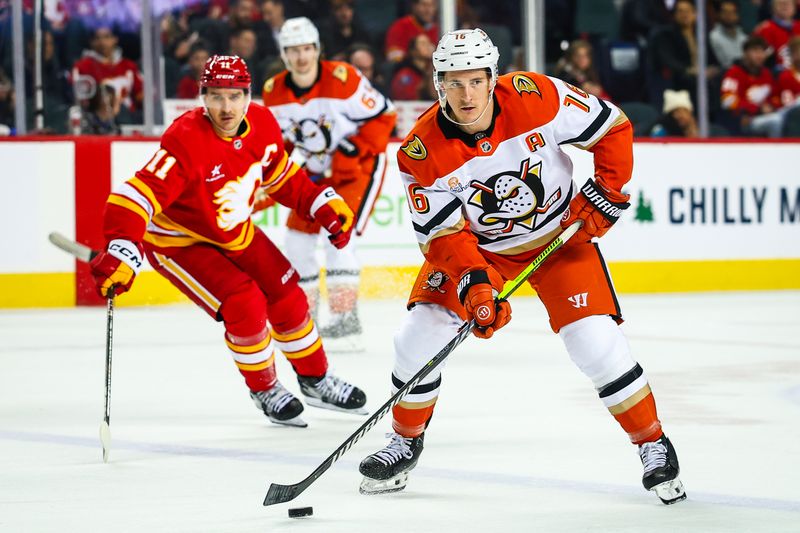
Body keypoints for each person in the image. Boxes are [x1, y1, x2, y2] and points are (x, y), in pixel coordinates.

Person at [358, 29, 687, 506]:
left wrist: (608, 192)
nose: (466, 94)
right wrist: (474, 285)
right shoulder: (419, 150)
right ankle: (405, 440)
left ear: (494, 78)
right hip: (482, 249)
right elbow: (444, 236)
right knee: (416, 337)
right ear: (438, 85)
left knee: (596, 344)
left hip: (559, 237)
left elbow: (613, 127)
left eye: (476, 81)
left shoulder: (539, 95)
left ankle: (652, 442)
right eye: (454, 83)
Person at [88, 55, 367, 429]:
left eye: (234, 97)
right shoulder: (186, 139)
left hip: (234, 230)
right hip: (179, 243)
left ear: (248, 96)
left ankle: (315, 380)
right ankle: (265, 388)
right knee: (245, 301)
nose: (226, 107)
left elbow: (281, 176)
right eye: (216, 96)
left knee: (287, 292)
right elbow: (134, 195)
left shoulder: (263, 124)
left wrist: (319, 202)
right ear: (202, 97)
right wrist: (123, 245)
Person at [261, 18, 397, 351]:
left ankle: (344, 317)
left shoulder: (344, 78)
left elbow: (386, 115)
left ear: (317, 50)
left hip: (358, 169)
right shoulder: (273, 91)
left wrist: (355, 148)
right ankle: (305, 315)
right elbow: (282, 144)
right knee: (295, 240)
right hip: (316, 172)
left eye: (307, 48)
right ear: (284, 54)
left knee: (339, 233)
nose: (301, 56)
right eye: (293, 50)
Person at [752, 0, 800, 70]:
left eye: (788, 3)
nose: (785, 5)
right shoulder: (764, 30)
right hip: (777, 76)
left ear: (794, 8)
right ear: (772, 9)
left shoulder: (798, 26)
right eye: (780, 3)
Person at [709, 0, 748, 70]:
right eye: (725, 12)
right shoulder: (714, 37)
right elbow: (725, 64)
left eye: (732, 12)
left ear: (737, 15)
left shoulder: (744, 37)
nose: (729, 15)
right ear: (719, 14)